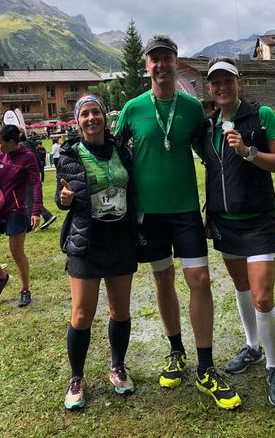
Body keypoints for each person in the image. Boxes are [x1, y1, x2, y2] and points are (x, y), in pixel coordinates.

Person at [115, 35, 241, 410]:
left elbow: (212, 156)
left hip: (185, 211)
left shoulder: (191, 108)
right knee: (163, 278)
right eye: (154, 59)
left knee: (199, 280)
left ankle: (206, 366)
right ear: (147, 66)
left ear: (175, 62)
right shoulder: (133, 108)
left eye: (166, 58)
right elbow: (114, 155)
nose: (160, 65)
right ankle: (175, 351)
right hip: (149, 215)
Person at [202, 57, 275, 407]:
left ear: (239, 83)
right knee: (242, 288)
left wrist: (248, 151)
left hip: (258, 221)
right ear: (209, 89)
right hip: (225, 222)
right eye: (215, 82)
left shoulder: (262, 116)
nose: (222, 87)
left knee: (262, 297)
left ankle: (273, 366)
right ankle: (252, 346)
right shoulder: (207, 126)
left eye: (228, 80)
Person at [56, 95, 137, 410]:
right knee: (81, 313)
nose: (91, 118)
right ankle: (76, 377)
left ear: (104, 117)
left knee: (120, 310)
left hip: (120, 239)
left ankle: (118, 367)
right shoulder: (69, 154)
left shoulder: (122, 150)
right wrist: (64, 198)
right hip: (86, 242)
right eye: (85, 114)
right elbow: (61, 196)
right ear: (78, 122)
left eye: (96, 112)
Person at [0, 124, 43, 307]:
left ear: (12, 142)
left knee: (16, 252)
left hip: (16, 211)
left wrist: (36, 210)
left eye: (0, 143)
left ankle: (25, 290)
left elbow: (36, 184)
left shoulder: (27, 157)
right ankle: (2, 277)